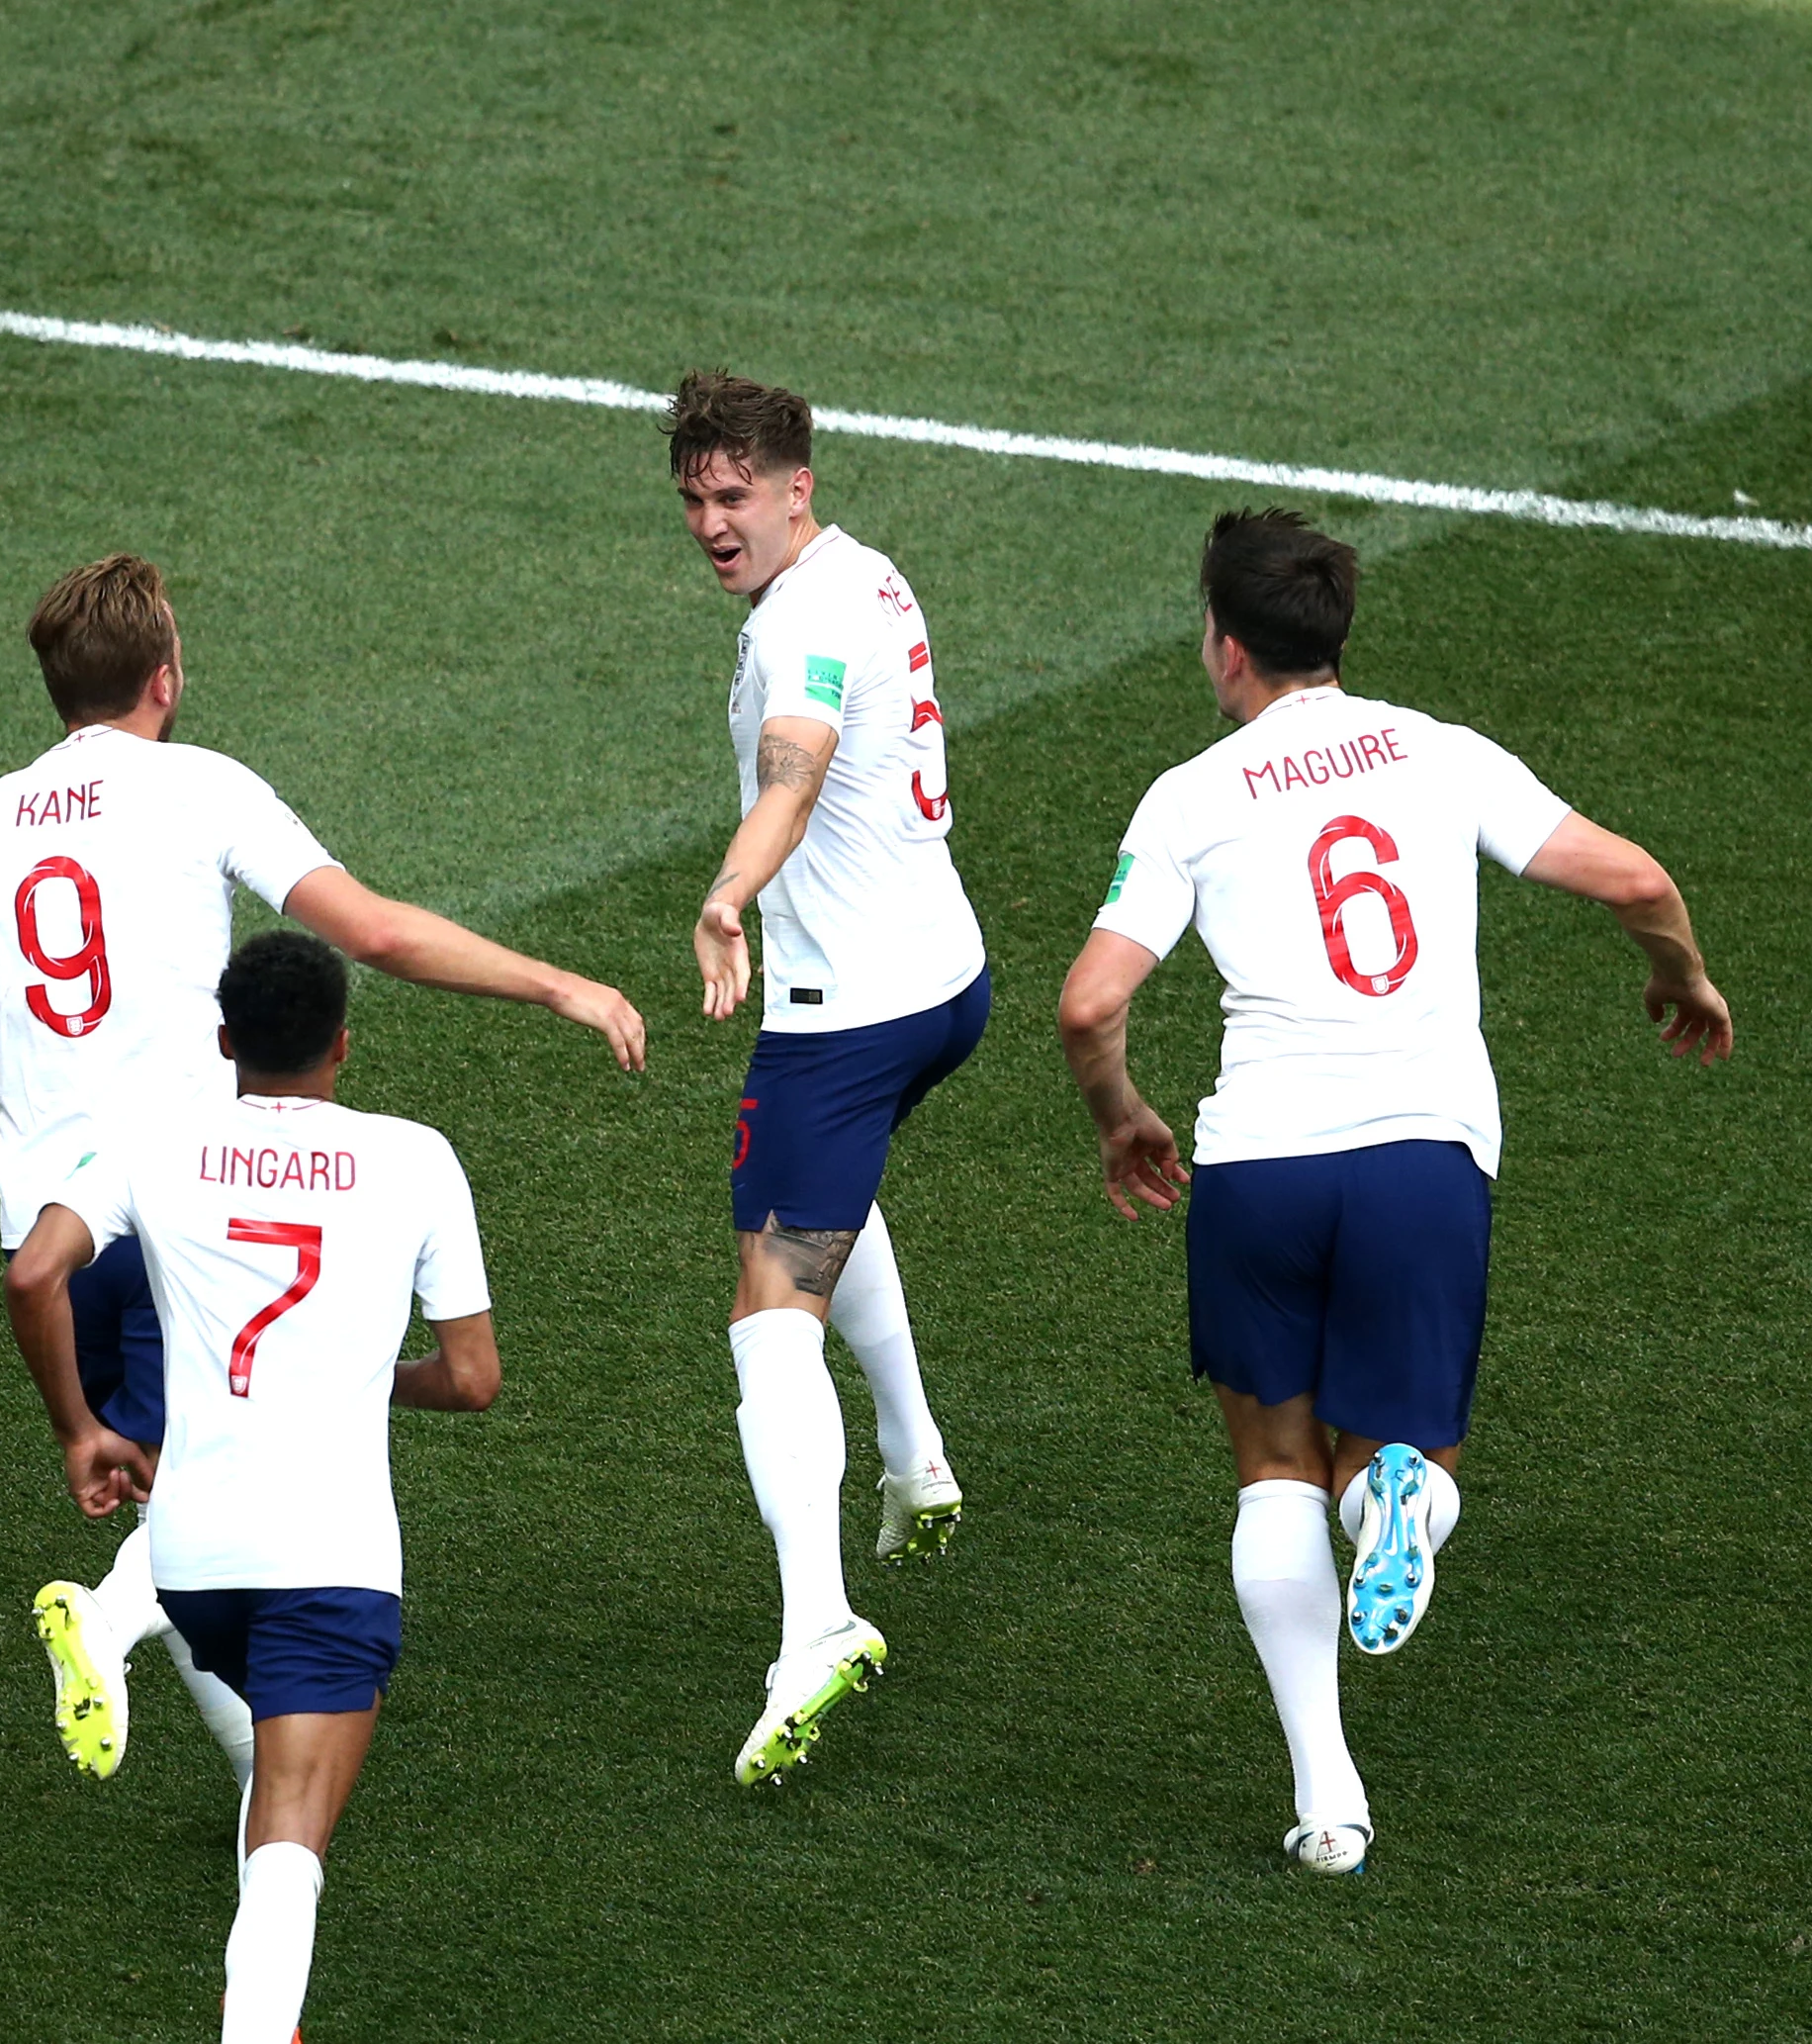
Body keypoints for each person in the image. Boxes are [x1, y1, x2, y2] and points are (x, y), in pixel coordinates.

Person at [0, 553, 638, 1795]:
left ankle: (259, 1799)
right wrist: (558, 981)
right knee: (220, 1480)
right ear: (166, 676)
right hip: (201, 1208)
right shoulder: (200, 788)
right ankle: (105, 1619)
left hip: (55, 1236)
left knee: (177, 1494)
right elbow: (367, 930)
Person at [1057, 511, 1730, 1875]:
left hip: (1258, 1167)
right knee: (1387, 1454)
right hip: (1422, 1156)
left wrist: (1124, 1113)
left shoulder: (1191, 796)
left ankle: (1328, 1804)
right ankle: (1402, 1502)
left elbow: (1088, 1003)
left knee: (1271, 1470)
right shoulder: (1440, 752)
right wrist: (1679, 972)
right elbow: (1639, 876)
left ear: (1224, 645)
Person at [3, 932, 496, 2044]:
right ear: (344, 1045)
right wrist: (373, 1378)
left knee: (268, 1789)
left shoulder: (154, 1144)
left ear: (224, 1041)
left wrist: (80, 1429)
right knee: (288, 1832)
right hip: (331, 1558)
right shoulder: (417, 1156)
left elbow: (34, 1270)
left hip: (193, 1561)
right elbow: (473, 1378)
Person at [666, 373, 989, 1787]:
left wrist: (728, 893)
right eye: (693, 497)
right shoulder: (862, 571)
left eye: (734, 496)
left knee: (766, 1302)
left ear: (797, 483)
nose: (710, 523)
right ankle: (916, 1457)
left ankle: (816, 1625)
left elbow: (791, 777)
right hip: (941, 982)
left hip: (843, 1013)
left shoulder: (801, 623)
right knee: (820, 1206)